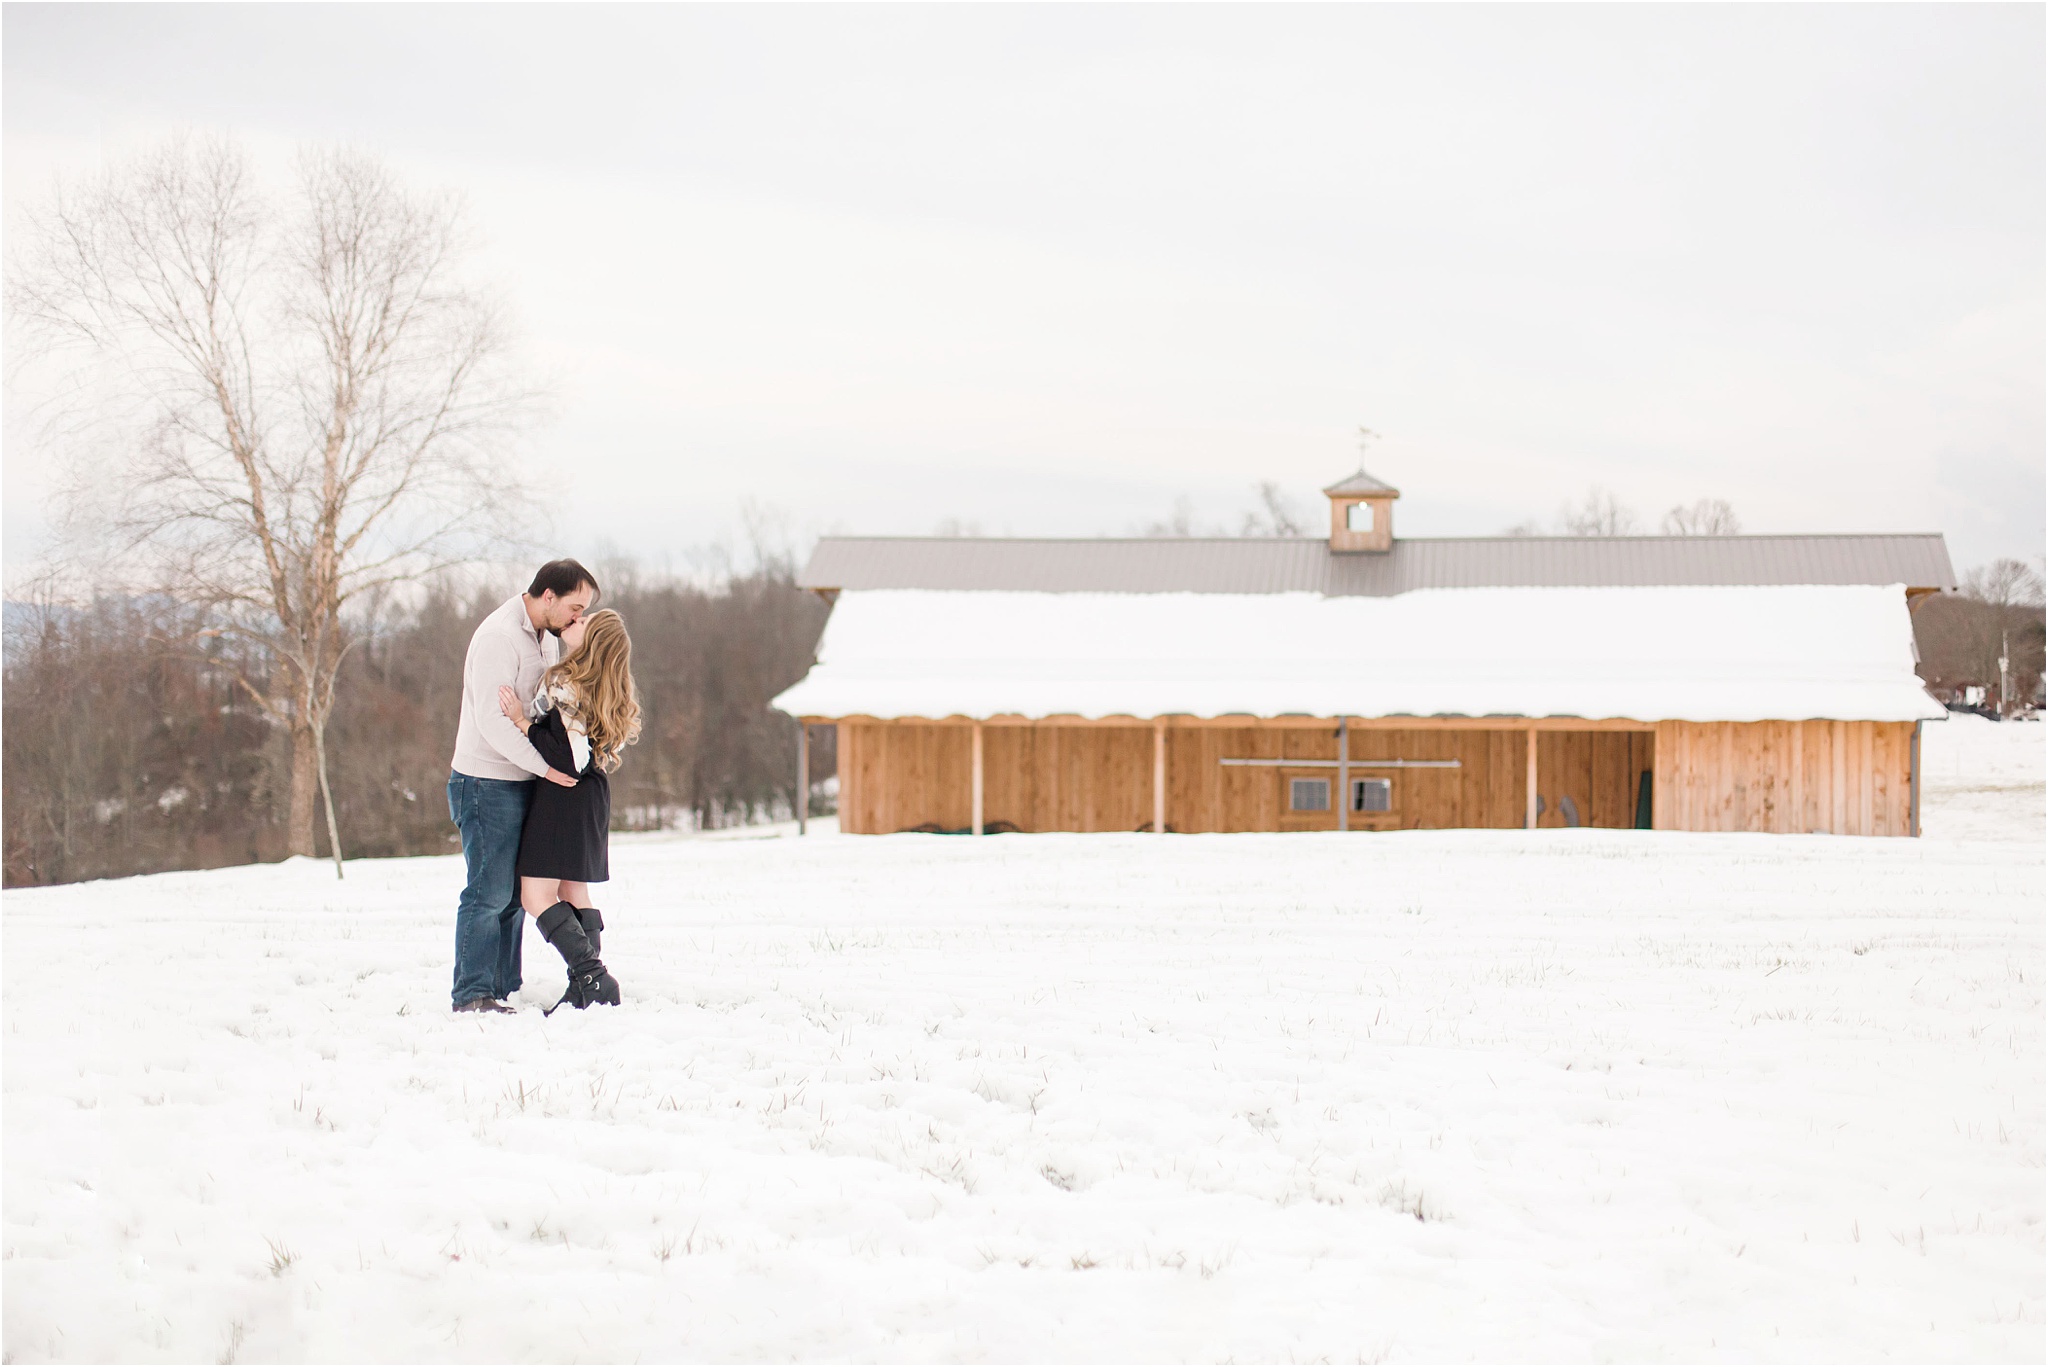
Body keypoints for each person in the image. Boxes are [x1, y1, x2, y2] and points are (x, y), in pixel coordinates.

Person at [446, 560, 597, 1014]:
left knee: (513, 894)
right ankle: (471, 993)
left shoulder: (545, 639)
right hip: (485, 781)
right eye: (575, 607)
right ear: (547, 595)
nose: (577, 618)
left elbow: (538, 707)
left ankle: (503, 986)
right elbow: (492, 722)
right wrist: (546, 768)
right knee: (487, 892)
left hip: (523, 779)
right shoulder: (499, 637)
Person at [495, 607, 643, 1013]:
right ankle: (585, 988)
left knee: (535, 894)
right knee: (573, 890)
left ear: (591, 641)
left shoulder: (566, 682)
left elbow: (570, 757)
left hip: (565, 796)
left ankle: (592, 977)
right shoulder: (604, 687)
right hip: (591, 795)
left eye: (581, 623)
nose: (571, 623)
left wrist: (522, 722)